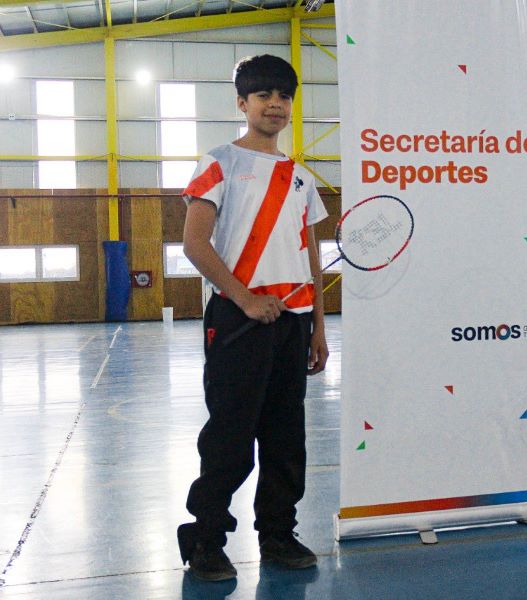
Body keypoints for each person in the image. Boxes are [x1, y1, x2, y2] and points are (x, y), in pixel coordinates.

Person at [176, 54, 329, 581]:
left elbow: (309, 257)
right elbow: (194, 244)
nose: (275, 104)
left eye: (283, 96)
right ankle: (206, 539)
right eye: (263, 95)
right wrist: (244, 300)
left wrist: (318, 329)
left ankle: (278, 535)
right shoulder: (218, 162)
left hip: (294, 322)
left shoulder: (303, 180)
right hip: (239, 318)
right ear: (242, 103)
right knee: (230, 436)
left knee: (287, 439)